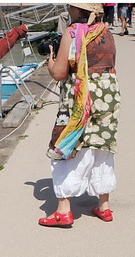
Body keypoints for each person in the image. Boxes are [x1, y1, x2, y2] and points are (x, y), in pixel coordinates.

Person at [41, 3, 120, 227]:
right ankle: (104, 206)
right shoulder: (106, 32)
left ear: (77, 10)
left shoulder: (73, 32)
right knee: (100, 147)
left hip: (80, 98)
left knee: (68, 144)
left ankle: (63, 210)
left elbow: (59, 73)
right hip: (108, 95)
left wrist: (50, 60)